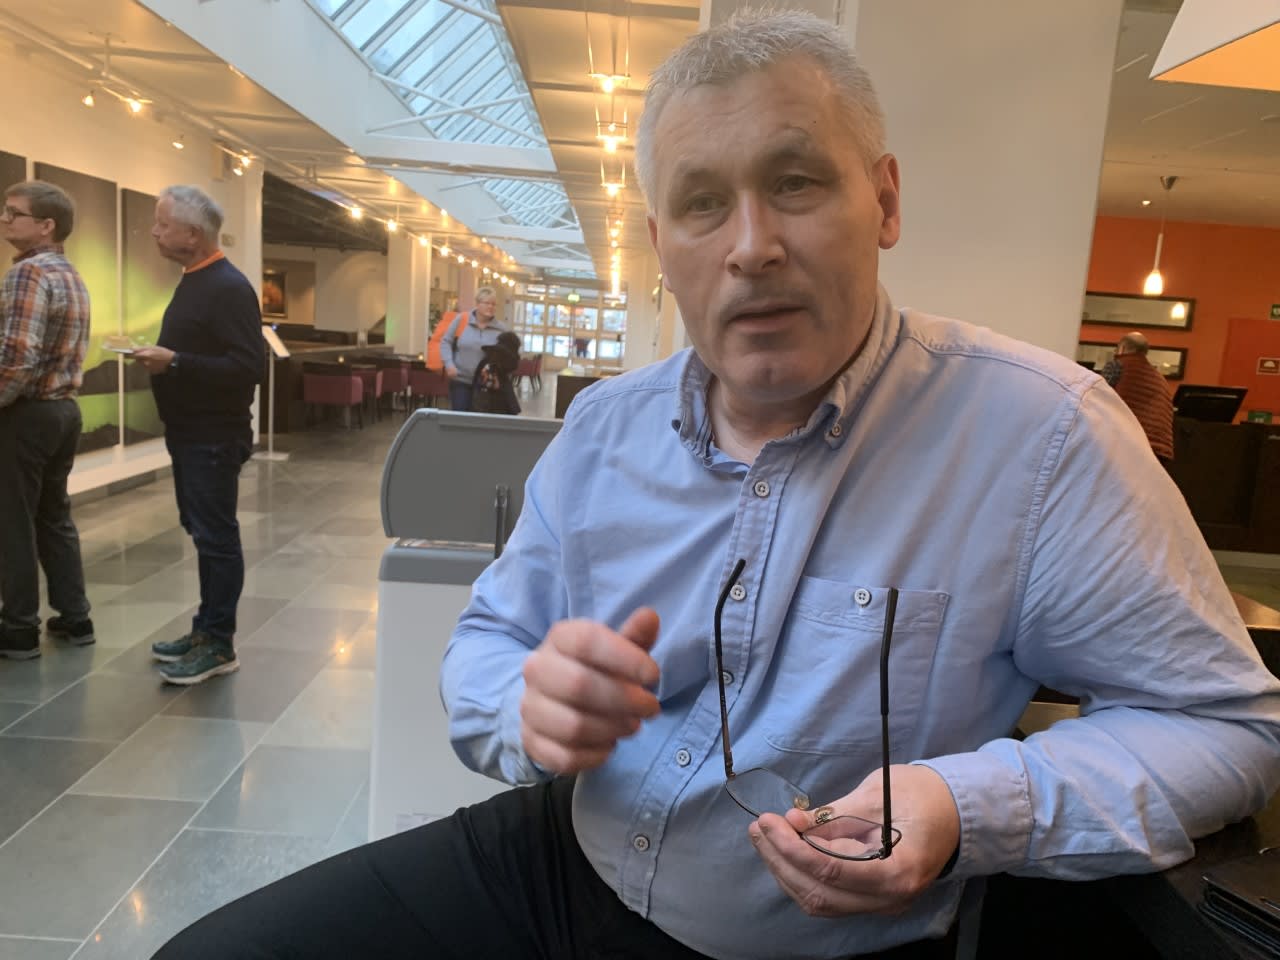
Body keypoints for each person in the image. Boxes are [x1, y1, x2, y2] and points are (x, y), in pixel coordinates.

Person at [154, 11, 1280, 959]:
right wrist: (526, 704)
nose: (750, 246)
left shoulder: (1039, 439)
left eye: (795, 183)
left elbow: (1225, 729)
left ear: (884, 201)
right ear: (662, 242)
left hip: (826, 939)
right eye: (702, 203)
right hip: (561, 862)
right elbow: (491, 639)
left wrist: (962, 804)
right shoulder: (604, 431)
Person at [132, 185, 263, 686]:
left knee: (216, 537)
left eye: (163, 224)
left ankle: (219, 642)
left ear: (192, 234)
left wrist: (175, 362)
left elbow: (248, 367)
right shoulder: (197, 280)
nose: (155, 232)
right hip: (190, 432)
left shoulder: (228, 287)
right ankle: (204, 628)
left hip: (213, 435)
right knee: (204, 533)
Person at [0, 180, 94, 659]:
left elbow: (16, 357)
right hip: (64, 411)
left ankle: (18, 628)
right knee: (54, 515)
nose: (4, 219)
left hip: (28, 414)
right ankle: (75, 617)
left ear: (46, 225)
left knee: (12, 521)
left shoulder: (28, 273)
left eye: (13, 212)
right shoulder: (70, 274)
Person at [1105, 331, 1175, 464]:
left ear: (1122, 348)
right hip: (1159, 451)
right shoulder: (1160, 379)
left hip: (1127, 443)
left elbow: (1100, 397)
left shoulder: (1117, 365)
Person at [439, 285, 505, 412]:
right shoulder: (462, 320)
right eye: (487, 303)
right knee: (461, 417)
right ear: (478, 304)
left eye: (493, 304)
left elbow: (509, 354)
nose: (491, 307)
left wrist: (500, 375)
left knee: (480, 419)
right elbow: (446, 341)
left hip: (485, 384)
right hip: (461, 380)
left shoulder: (500, 329)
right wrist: (449, 364)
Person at [469, 330, 522, 415]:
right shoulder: (491, 364)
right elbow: (492, 385)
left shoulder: (492, 361)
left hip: (490, 407)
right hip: (492, 408)